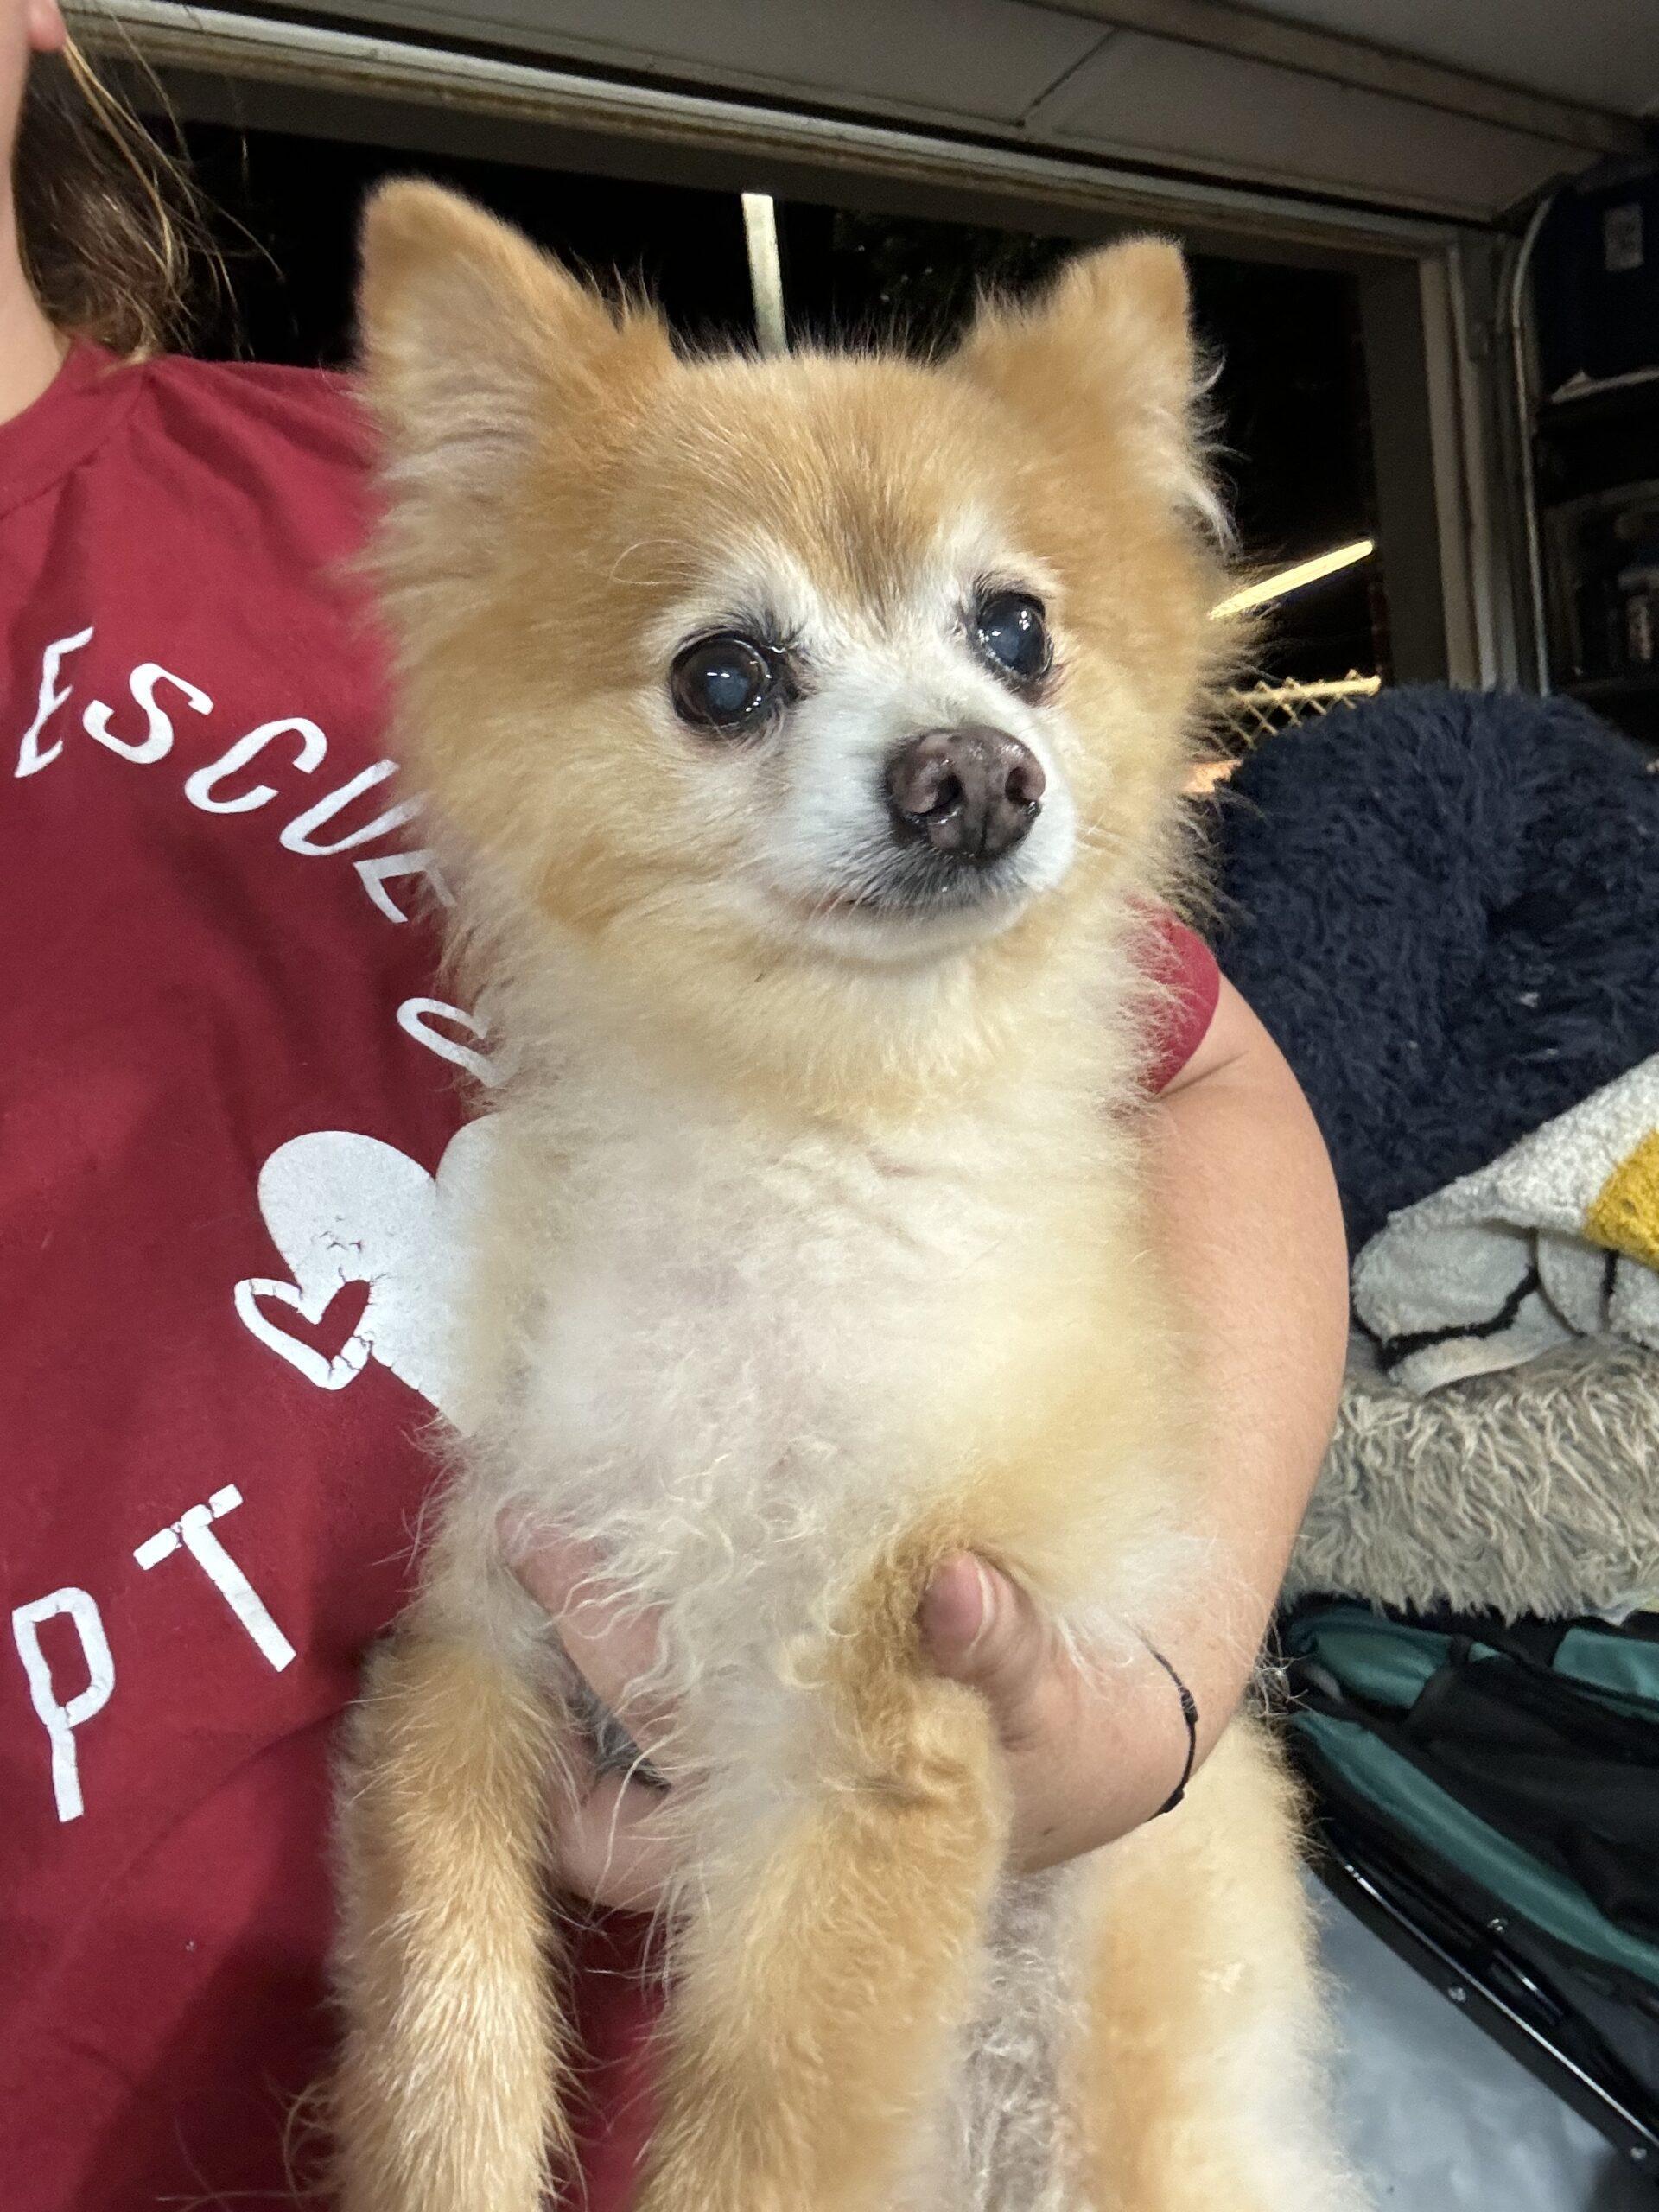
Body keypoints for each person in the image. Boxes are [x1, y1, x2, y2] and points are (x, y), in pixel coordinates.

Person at [0, 10, 1351, 2208]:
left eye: (1008, 648)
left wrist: (1146, 1701)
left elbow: (1188, 1069)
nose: (954, 748)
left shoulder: (465, 500)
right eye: (732, 680)